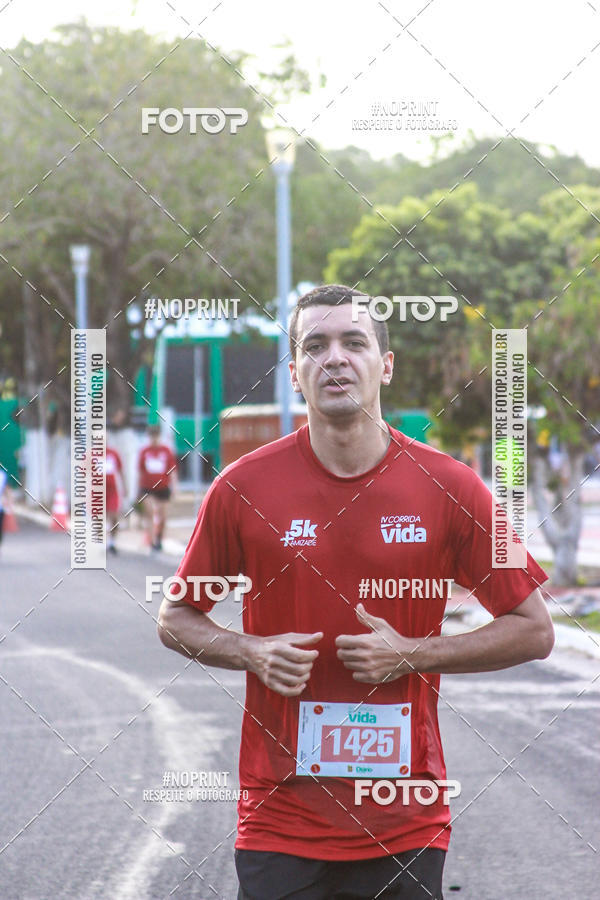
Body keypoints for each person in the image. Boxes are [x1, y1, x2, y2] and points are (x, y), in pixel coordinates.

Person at [158, 285, 554, 900]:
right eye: (315, 346)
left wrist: (415, 654)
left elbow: (535, 628)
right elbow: (175, 616)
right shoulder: (240, 488)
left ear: (385, 365)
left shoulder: (454, 487)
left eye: (354, 342)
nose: (334, 358)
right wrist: (250, 651)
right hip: (279, 819)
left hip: (405, 820)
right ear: (295, 373)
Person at [137, 425, 177, 552]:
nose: (154, 439)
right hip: (147, 487)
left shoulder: (166, 451)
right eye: (151, 436)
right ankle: (152, 541)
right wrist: (137, 489)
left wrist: (175, 487)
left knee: (163, 516)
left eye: (156, 436)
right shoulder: (144, 451)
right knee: (149, 513)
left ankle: (159, 538)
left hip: (163, 487)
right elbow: (140, 471)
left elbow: (172, 471)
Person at [104, 444, 126, 554]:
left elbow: (120, 471)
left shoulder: (113, 453)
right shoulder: (92, 454)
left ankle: (112, 542)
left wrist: (124, 486)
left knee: (114, 516)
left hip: (112, 491)